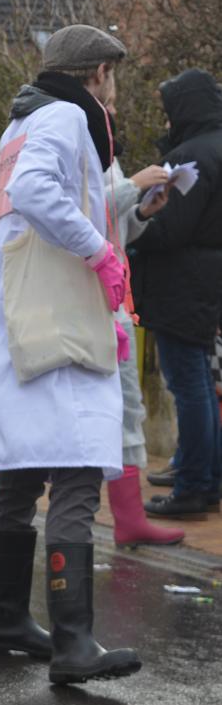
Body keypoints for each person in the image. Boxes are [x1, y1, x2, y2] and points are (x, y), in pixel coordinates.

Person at [0, 24, 140, 685]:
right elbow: (37, 191)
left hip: (19, 316)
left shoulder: (23, 121)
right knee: (80, 466)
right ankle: (73, 640)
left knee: (21, 469)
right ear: (97, 74)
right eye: (112, 76)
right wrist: (99, 252)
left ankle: (3, 619)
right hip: (55, 317)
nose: (114, 89)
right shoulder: (64, 116)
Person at [133, 69, 222, 519]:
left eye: (169, 111)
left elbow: (168, 228)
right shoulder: (216, 147)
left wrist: (132, 225)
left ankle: (190, 488)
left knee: (188, 387)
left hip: (180, 283)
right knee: (202, 385)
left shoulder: (192, 156)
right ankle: (207, 479)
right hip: (205, 281)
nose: (166, 122)